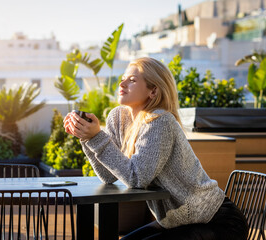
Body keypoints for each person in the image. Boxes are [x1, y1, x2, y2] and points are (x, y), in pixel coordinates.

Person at [63, 57, 248, 240]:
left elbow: (137, 178)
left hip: (218, 222)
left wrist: (97, 137)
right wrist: (88, 138)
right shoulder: (118, 118)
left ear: (153, 91)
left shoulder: (160, 120)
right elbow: (109, 176)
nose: (123, 83)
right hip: (176, 222)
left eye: (132, 80)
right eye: (123, 78)